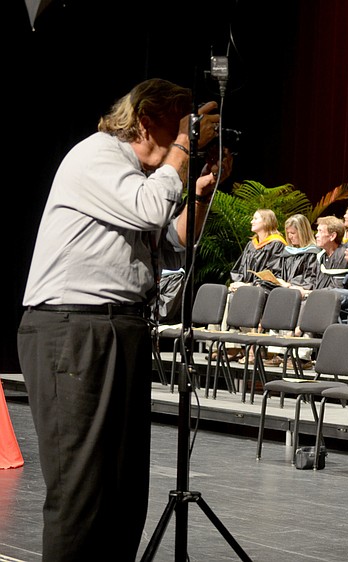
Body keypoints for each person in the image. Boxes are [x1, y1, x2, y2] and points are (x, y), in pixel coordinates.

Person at [17, 78, 228, 561]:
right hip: (74, 328)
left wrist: (199, 193)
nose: (189, 141)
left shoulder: (136, 173)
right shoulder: (98, 155)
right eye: (181, 127)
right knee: (82, 491)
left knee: (123, 490)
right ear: (147, 118)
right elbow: (150, 208)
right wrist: (180, 150)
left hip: (120, 328)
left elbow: (176, 239)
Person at [228, 209, 288, 295]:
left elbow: (274, 275)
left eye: (255, 219)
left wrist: (250, 285)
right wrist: (237, 284)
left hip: (262, 294)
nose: (252, 221)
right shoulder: (251, 244)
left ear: (266, 222)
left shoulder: (276, 244)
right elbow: (239, 268)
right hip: (243, 291)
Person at [277, 213, 321, 297]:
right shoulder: (287, 252)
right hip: (282, 291)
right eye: (288, 233)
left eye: (293, 233)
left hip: (299, 295)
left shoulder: (313, 253)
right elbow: (279, 273)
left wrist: (289, 285)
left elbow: (310, 280)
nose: (289, 236)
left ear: (303, 232)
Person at [313, 215, 348, 290]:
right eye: (317, 231)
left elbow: (337, 288)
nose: (316, 235)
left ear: (332, 236)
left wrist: (309, 293)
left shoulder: (344, 256)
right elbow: (312, 281)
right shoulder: (321, 256)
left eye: (320, 231)